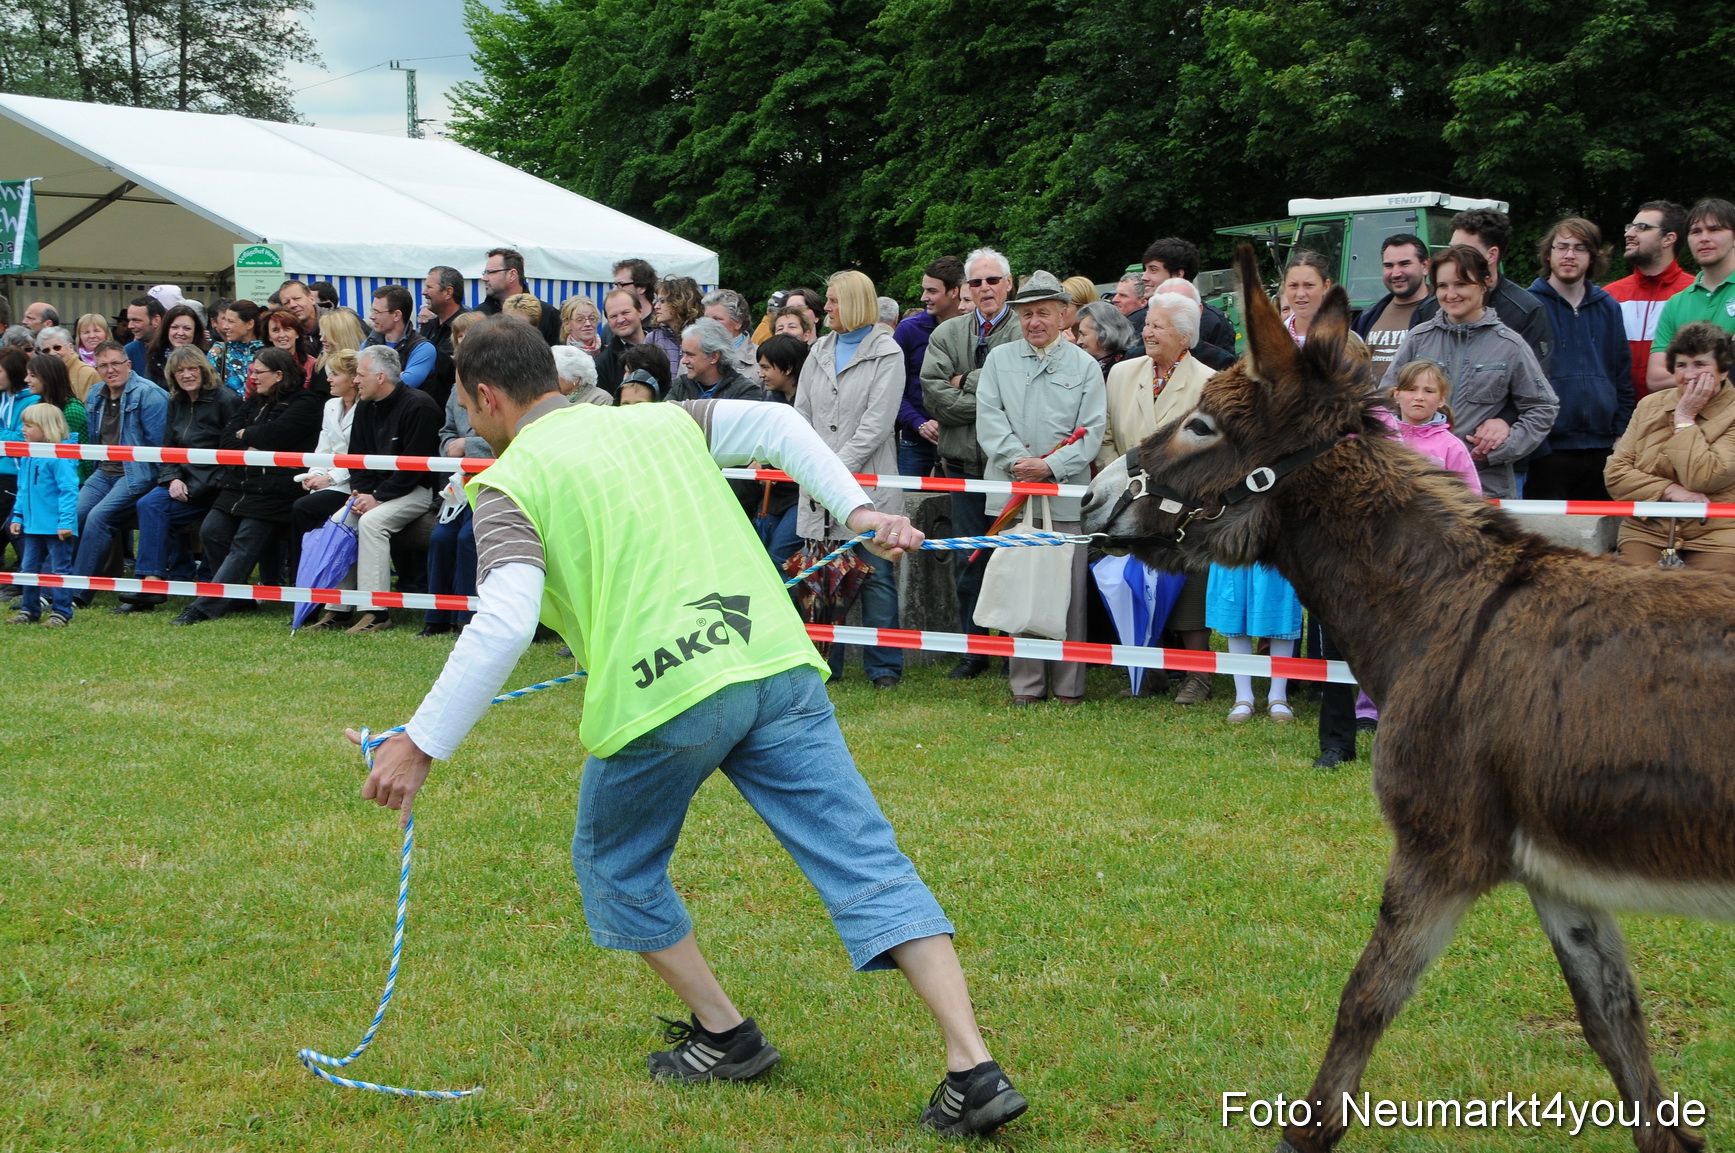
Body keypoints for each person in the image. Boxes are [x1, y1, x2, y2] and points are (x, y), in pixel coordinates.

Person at [354, 314, 1027, 1138]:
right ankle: (972, 1066)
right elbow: (779, 424)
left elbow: (501, 623)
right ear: (555, 379)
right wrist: (855, 509)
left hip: (661, 697)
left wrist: (417, 744)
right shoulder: (662, 415)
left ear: (484, 395)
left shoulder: (509, 481)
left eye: (466, 404)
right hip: (772, 664)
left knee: (615, 864)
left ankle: (725, 1033)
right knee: (865, 857)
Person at [976, 270, 1106, 704]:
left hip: (1065, 496)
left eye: (1044, 313)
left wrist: (1050, 467)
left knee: (1067, 594)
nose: (1035, 321)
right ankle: (1026, 688)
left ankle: (1070, 688)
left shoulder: (1085, 365)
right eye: (1027, 313)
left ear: (1063, 315)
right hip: (1012, 497)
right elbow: (989, 421)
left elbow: (1091, 431)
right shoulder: (998, 361)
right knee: (1019, 588)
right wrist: (1019, 463)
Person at [1097, 292, 1218, 703]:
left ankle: (1198, 674)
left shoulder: (1209, 383)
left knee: (1188, 584)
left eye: (1157, 326)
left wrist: (1170, 492)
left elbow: (1211, 453)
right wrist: (1127, 483)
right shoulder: (1121, 374)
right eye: (1147, 323)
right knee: (1133, 580)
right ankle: (1146, 667)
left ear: (1184, 337)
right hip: (1129, 499)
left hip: (1184, 505)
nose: (1146, 331)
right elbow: (1107, 437)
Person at [796, 270, 907, 688]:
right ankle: (827, 665)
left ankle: (884, 669)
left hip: (868, 483)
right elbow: (801, 413)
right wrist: (813, 463)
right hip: (819, 482)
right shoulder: (819, 350)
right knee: (823, 578)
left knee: (877, 577)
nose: (826, 308)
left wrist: (831, 469)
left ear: (856, 303)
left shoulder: (887, 352)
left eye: (833, 300)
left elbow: (878, 423)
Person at [1381, 245, 1559, 498]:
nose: (1451, 294)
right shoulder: (1418, 338)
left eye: (1461, 284)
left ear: (1484, 284)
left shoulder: (1509, 345)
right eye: (1442, 286)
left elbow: (1543, 407)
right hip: (1413, 486)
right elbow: (1385, 401)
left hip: (1483, 486)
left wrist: (1502, 448)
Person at [920, 247, 1024, 678]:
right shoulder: (945, 334)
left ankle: (1015, 653)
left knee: (1016, 562)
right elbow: (933, 394)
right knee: (970, 562)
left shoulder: (1026, 330)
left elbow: (1017, 394)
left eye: (993, 280)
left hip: (1011, 472)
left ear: (1009, 283)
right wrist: (987, 393)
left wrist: (965, 384)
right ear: (965, 288)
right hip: (962, 469)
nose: (985, 289)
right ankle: (974, 649)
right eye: (977, 282)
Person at [170, 349, 324, 625]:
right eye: (252, 372)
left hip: (277, 490)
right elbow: (227, 438)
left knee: (244, 543)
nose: (252, 377)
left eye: (258, 372)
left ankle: (205, 607)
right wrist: (250, 440)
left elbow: (277, 433)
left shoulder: (306, 402)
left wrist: (249, 436)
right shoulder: (253, 402)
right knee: (211, 530)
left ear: (279, 375)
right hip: (239, 484)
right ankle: (238, 599)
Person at [313, 344, 443, 634]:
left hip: (415, 491)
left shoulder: (419, 406)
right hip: (374, 493)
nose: (355, 380)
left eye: (360, 375)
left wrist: (378, 498)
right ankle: (338, 607)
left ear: (381, 377)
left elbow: (414, 467)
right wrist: (361, 494)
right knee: (340, 521)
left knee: (371, 523)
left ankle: (376, 610)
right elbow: (356, 459)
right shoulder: (365, 406)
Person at [120, 346, 244, 612]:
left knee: (211, 524)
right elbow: (168, 449)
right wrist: (173, 478)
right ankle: (151, 580)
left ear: (203, 369)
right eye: (180, 371)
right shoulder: (175, 402)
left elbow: (235, 452)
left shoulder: (226, 400)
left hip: (216, 487)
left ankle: (210, 584)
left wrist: (215, 483)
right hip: (183, 482)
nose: (187, 375)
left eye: (192, 368)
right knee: (149, 504)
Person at [1605, 321, 1735, 572]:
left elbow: (1705, 477)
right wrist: (1669, 490)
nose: (1688, 375)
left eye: (1700, 364)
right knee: (1630, 592)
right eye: (1681, 365)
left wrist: (1685, 419)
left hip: (1718, 532)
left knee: (1705, 596)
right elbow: (1615, 474)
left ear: (1723, 370)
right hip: (1648, 528)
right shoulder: (1649, 406)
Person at [1525, 217, 1634, 500]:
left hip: (1603, 448)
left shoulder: (1608, 307)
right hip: (1547, 449)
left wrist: (1620, 434)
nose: (1570, 255)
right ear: (1548, 254)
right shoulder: (1528, 307)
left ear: (1593, 257)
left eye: (1580, 248)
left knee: (1599, 541)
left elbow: (1621, 375)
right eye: (1562, 247)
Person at [70, 342, 168, 605]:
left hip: (137, 473)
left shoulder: (151, 395)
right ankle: (54, 584)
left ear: (128, 365)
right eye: (103, 365)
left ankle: (77, 594)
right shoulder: (93, 395)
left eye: (115, 363)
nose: (110, 370)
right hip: (104, 471)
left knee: (98, 518)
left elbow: (160, 449)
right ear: (96, 368)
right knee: (73, 514)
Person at [1411, 208, 1555, 376]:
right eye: (1451, 249)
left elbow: (1534, 388)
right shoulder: (1430, 308)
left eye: (1463, 250)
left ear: (1492, 255)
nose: (1454, 257)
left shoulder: (1525, 311)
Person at [288, 347, 364, 586]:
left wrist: (330, 479)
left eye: (335, 374)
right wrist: (316, 475)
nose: (328, 379)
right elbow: (324, 447)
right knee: (298, 503)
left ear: (353, 379)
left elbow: (361, 455)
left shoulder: (367, 407)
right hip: (329, 480)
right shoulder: (330, 405)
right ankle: (302, 580)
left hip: (353, 483)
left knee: (303, 508)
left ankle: (304, 582)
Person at [1603, 201, 1692, 402]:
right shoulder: (1609, 295)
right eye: (1630, 226)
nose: (1629, 234)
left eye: (1642, 228)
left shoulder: (1693, 294)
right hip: (1618, 417)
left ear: (1668, 239)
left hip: (1675, 413)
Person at [1647, 199, 1735, 393]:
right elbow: (1655, 378)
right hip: (1686, 418)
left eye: (1715, 229)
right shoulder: (1676, 303)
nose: (1704, 238)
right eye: (1696, 231)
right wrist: (1714, 371)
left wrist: (1683, 372)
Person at [893, 256, 967, 480]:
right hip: (915, 443)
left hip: (963, 444)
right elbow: (892, 389)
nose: (924, 297)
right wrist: (919, 423)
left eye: (932, 291)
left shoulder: (975, 330)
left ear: (953, 292)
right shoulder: (908, 330)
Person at [5, 404, 79, 627]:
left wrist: (65, 521)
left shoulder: (60, 456)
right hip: (31, 526)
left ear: (46, 428)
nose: (22, 429)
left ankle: (62, 612)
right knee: (28, 569)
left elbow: (69, 490)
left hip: (57, 527)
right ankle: (29, 609)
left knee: (59, 570)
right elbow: (23, 488)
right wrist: (17, 516)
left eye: (28, 425)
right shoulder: (28, 453)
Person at [753, 334, 810, 565]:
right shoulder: (769, 402)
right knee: (761, 556)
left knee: (778, 556)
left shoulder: (813, 401)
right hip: (774, 494)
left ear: (787, 368)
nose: (761, 374)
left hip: (803, 496)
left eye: (766, 367)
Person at [1351, 233, 1432, 376]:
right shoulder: (1367, 317)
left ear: (1425, 266)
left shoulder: (1440, 314)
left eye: (1404, 264)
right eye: (1388, 266)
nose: (1396, 273)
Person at [1137, 237, 1237, 351]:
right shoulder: (1135, 320)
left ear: (1179, 274)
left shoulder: (1214, 324)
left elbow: (1224, 366)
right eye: (1145, 270)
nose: (1144, 277)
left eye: (1153, 270)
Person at [0, 347, 39, 573]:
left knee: (11, 522)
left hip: (16, 475)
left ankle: (31, 573)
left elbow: (22, 439)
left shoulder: (32, 401)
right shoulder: (2, 397)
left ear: (13, 372)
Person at [365, 286, 439, 402]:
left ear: (396, 315)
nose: (372, 316)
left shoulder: (423, 348)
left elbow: (403, 386)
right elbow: (357, 379)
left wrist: (371, 379)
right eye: (372, 310)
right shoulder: (369, 343)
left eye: (377, 312)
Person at [668, 318, 767, 403]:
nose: (684, 361)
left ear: (714, 357)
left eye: (690, 355)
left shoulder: (745, 391)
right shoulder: (682, 385)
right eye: (683, 354)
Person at [478, 248, 561, 344]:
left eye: (490, 272)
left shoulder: (547, 313)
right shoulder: (480, 315)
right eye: (485, 273)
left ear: (512, 275)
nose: (484, 278)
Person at [420, 266, 465, 404]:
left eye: (429, 287)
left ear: (448, 292)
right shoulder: (429, 326)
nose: (424, 292)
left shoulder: (466, 328)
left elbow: (449, 369)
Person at [593, 288, 648, 396]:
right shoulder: (603, 364)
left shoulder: (665, 344)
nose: (620, 320)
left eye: (625, 312)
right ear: (608, 321)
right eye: (613, 316)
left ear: (640, 312)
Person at [702, 289, 760, 382]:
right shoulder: (691, 356)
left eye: (716, 319)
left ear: (738, 321)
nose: (708, 324)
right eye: (706, 318)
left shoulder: (761, 359)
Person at [648, 277, 702, 379]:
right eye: (657, 301)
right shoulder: (653, 338)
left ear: (681, 303)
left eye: (662, 301)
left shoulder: (702, 337)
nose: (656, 307)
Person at [209, 300, 264, 394]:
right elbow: (208, 388)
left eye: (230, 321)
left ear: (249, 324)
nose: (225, 326)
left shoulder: (267, 351)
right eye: (224, 320)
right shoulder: (219, 350)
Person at [1074, 300, 1138, 379]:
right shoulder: (1082, 365)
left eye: (1084, 334)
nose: (1079, 341)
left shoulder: (1129, 368)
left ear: (1105, 334)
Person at [35, 326, 100, 403]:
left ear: (70, 347)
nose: (52, 353)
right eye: (46, 350)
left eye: (57, 347)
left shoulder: (87, 373)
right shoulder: (46, 375)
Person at [265, 308, 317, 385]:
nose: (282, 335)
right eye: (276, 330)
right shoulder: (258, 368)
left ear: (297, 333)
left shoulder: (313, 365)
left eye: (287, 329)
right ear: (268, 336)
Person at [122, 295, 164, 379]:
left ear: (156, 320)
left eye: (136, 320)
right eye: (129, 320)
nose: (130, 326)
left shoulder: (174, 349)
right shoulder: (129, 351)